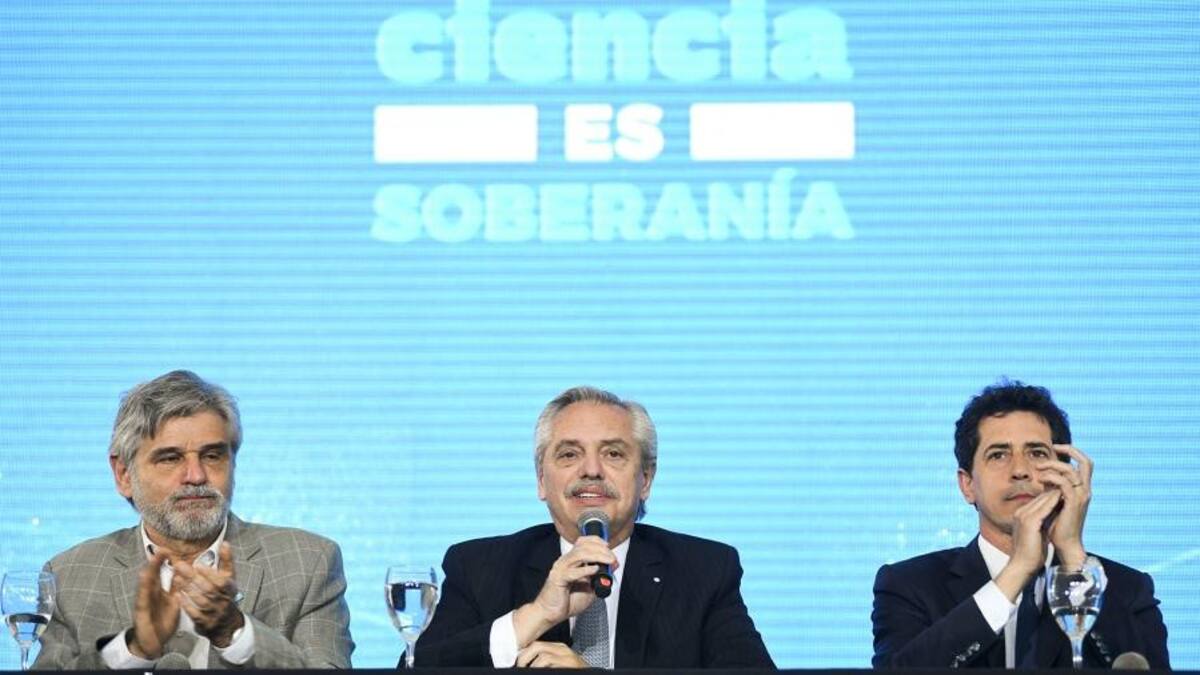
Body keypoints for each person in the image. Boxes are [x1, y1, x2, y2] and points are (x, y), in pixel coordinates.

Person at [414, 386, 774, 668]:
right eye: (569, 454)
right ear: (541, 479)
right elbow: (414, 670)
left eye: (613, 453)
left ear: (646, 479)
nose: (591, 470)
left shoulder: (704, 571)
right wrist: (537, 614)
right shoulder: (478, 567)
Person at [33, 370, 354, 669]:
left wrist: (236, 633)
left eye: (212, 455)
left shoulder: (309, 562)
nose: (196, 476)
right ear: (123, 475)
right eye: (170, 458)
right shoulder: (68, 576)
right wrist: (134, 649)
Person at [871, 381, 1169, 668]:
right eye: (998, 455)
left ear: (1066, 473)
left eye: (1037, 453)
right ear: (967, 485)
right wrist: (1018, 569)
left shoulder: (1127, 589)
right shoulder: (909, 586)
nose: (1020, 471)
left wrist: (1073, 554)